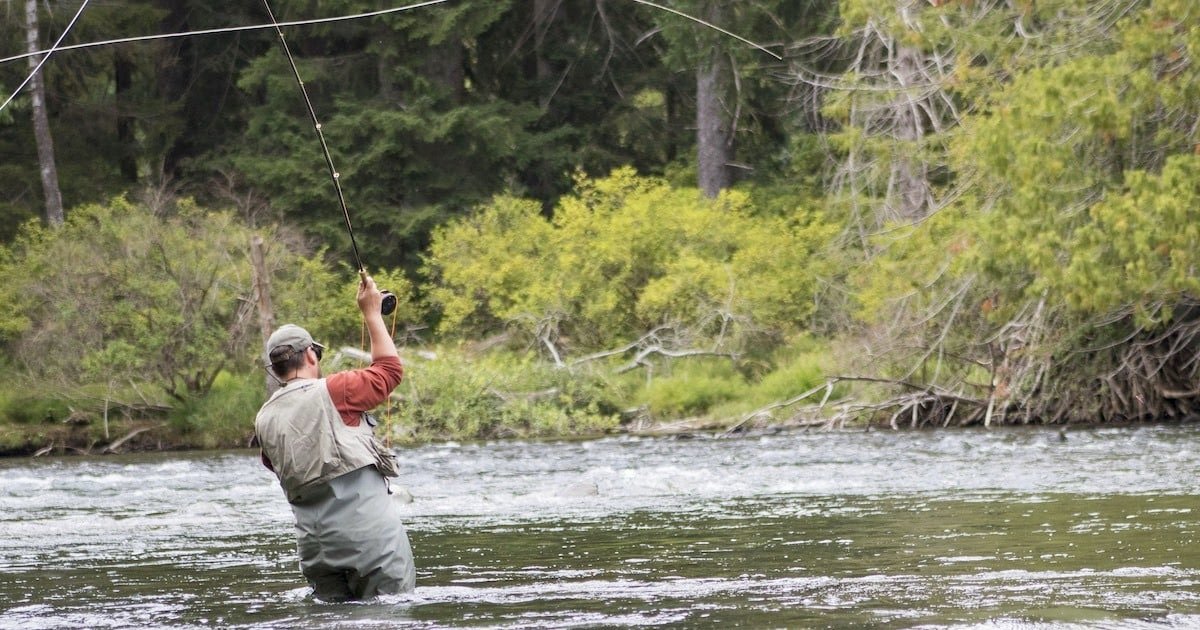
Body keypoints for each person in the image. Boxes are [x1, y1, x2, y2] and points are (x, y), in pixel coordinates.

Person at [254, 274, 415, 601]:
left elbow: (277, 466)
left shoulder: (263, 419)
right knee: (392, 616)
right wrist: (371, 313)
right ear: (311, 355)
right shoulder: (335, 390)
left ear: (276, 369)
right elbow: (390, 371)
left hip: (315, 552)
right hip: (370, 543)